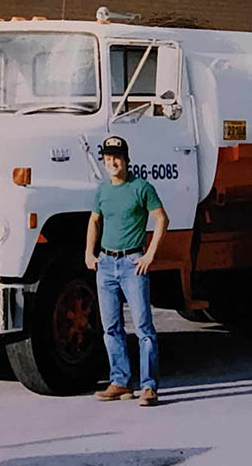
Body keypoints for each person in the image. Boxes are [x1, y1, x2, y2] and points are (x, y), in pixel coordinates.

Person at [86, 135, 169, 407]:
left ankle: (148, 387)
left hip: (133, 264)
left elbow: (161, 218)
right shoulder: (102, 191)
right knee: (111, 328)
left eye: (117, 157)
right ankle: (120, 382)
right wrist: (90, 252)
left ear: (126, 159)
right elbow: (94, 220)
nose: (112, 162)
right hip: (106, 265)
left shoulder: (141, 188)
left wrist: (150, 254)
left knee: (144, 327)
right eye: (108, 158)